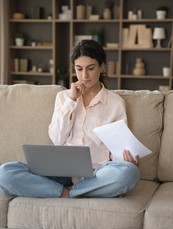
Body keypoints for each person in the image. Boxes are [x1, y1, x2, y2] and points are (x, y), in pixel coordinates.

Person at [0, 40, 140, 198]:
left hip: (98, 174)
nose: (84, 75)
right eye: (79, 69)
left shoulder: (115, 103)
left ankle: (69, 192)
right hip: (61, 173)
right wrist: (71, 101)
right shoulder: (63, 98)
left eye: (90, 68)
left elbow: (118, 149)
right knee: (5, 173)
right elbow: (57, 139)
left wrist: (126, 160)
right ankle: (69, 192)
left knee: (129, 173)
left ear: (102, 67)